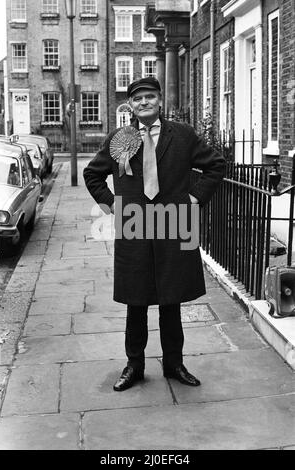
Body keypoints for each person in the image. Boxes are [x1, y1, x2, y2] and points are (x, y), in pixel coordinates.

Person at [84, 77, 225, 392]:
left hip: (175, 226)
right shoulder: (122, 137)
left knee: (171, 301)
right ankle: (134, 366)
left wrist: (194, 198)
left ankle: (174, 364)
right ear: (131, 105)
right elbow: (92, 174)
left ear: (160, 100)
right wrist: (113, 206)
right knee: (136, 302)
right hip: (134, 229)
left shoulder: (183, 136)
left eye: (149, 97)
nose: (144, 102)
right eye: (138, 99)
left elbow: (216, 165)